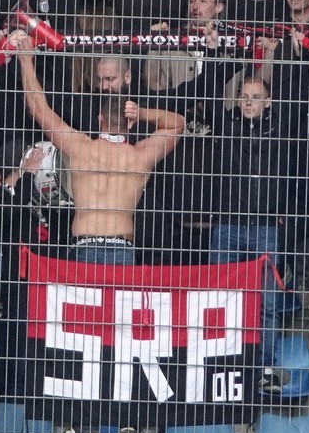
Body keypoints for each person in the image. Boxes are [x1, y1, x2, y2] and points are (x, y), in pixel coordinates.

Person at [14, 37, 184, 264]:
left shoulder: (81, 148)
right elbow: (177, 124)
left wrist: (25, 61)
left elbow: (38, 108)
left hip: (84, 244)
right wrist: (142, 113)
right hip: (122, 246)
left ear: (99, 119)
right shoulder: (139, 156)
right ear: (129, 123)